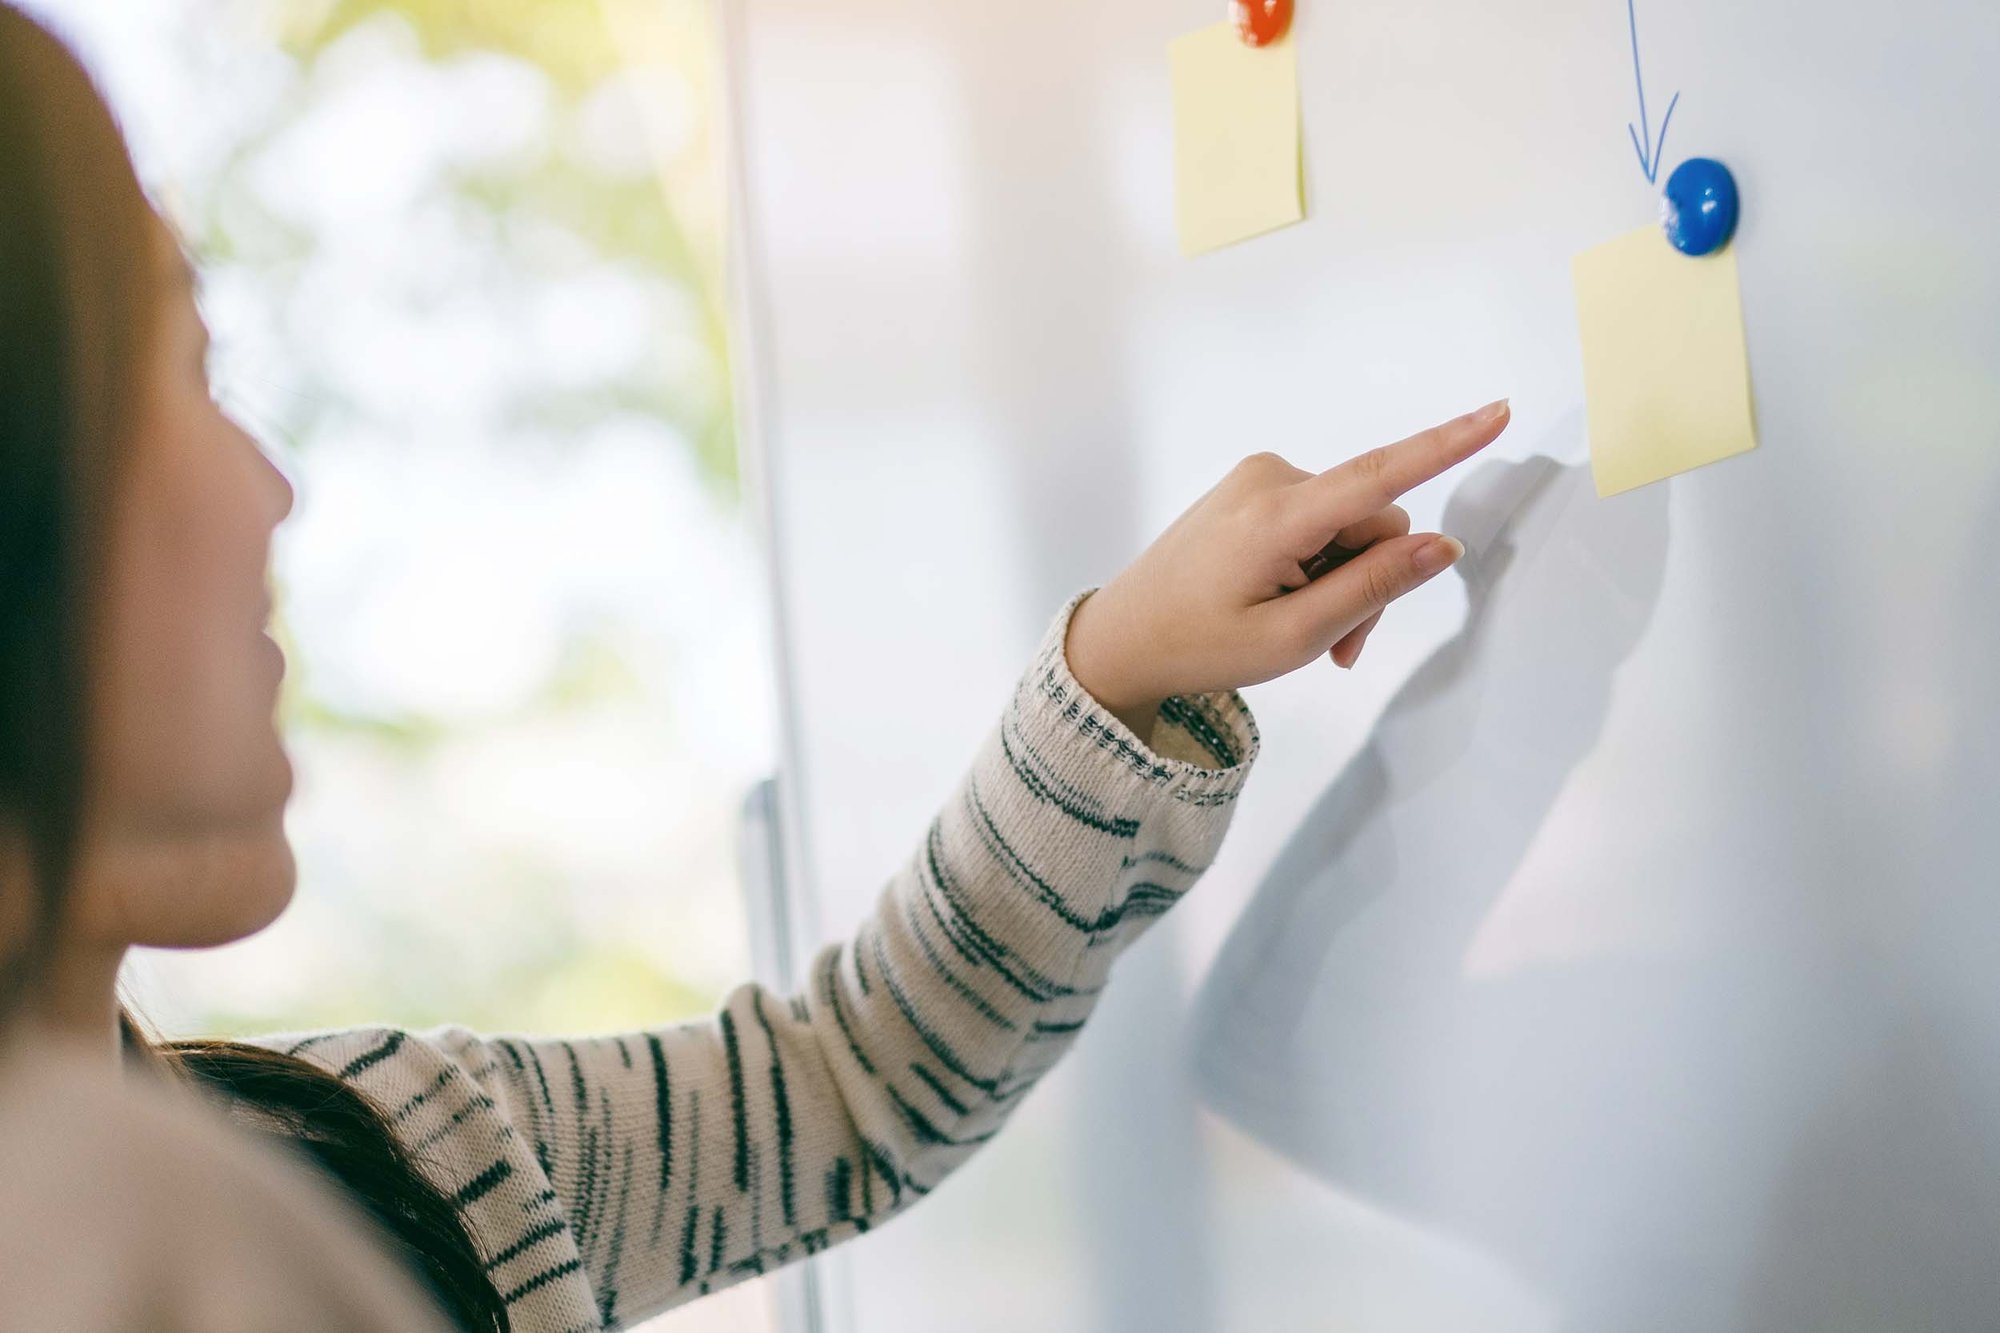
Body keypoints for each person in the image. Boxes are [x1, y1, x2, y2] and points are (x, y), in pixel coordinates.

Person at [0, 5, 1509, 1329]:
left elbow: (848, 1089)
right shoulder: (151, 1245)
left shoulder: (401, 1146)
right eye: (175, 373)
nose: (270, 488)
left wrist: (1114, 672)